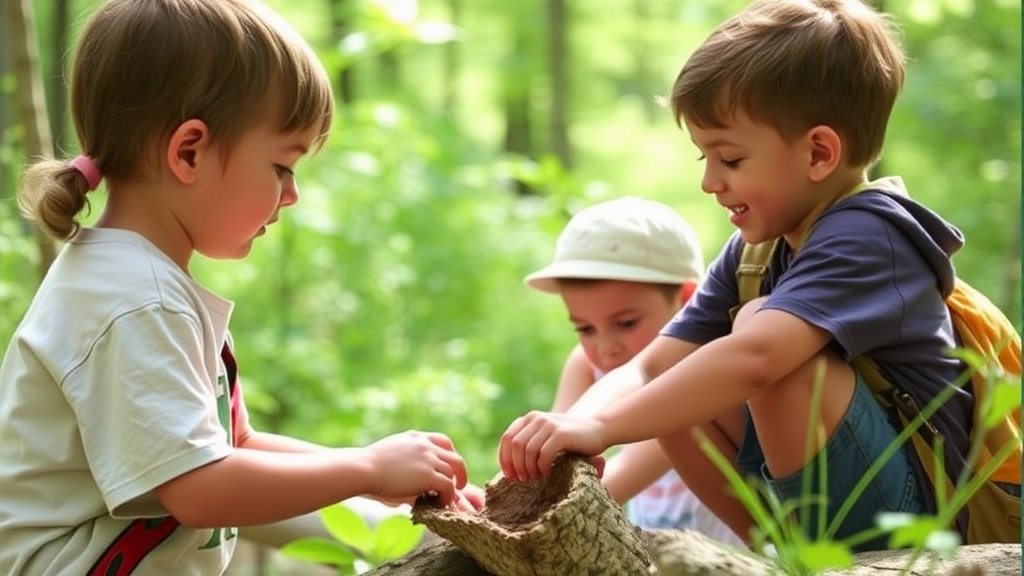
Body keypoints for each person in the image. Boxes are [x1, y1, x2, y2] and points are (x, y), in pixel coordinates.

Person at [0, 1, 471, 574]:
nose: (292, 195)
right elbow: (201, 488)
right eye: (282, 166)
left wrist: (374, 477)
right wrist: (367, 467)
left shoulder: (142, 285)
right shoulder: (132, 302)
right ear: (189, 151)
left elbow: (234, 447)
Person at [499, 0, 972, 553]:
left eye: (729, 159)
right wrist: (566, 434)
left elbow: (758, 358)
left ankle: (818, 559)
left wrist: (603, 430)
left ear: (819, 153)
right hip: (825, 504)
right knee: (674, 389)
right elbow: (653, 364)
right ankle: (775, 557)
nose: (710, 183)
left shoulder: (872, 236)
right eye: (704, 158)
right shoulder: (760, 249)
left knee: (755, 332)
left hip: (917, 517)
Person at [523, 196, 742, 545]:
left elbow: (620, 479)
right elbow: (551, 448)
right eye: (584, 328)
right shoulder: (585, 363)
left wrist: (528, 518)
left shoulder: (696, 373)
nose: (604, 347)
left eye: (625, 323)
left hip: (730, 554)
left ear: (688, 300)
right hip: (651, 551)